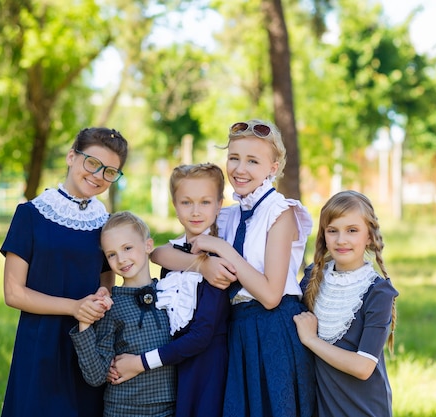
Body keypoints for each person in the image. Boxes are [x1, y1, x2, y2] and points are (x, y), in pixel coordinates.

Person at [151, 119, 316, 417]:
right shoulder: (228, 215)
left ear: (273, 167)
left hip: (273, 328)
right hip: (236, 330)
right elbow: (160, 254)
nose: (240, 169)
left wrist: (224, 249)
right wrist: (202, 265)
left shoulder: (281, 213)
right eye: (234, 158)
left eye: (253, 161)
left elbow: (270, 295)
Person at [0, 127, 128, 417]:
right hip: (40, 342)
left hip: (88, 347)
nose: (98, 176)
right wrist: (74, 307)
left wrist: (101, 296)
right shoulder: (30, 215)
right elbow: (13, 292)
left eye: (110, 171)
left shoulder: (106, 223)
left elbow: (106, 280)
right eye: (92, 163)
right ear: (72, 156)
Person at [110, 163, 230, 417]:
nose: (195, 211)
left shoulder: (219, 256)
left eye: (205, 202)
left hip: (206, 369)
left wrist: (139, 363)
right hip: (174, 367)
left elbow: (201, 334)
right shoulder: (172, 254)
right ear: (175, 206)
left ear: (219, 204)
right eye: (186, 202)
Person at [293, 190, 399, 417]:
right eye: (333, 231)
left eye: (352, 230)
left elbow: (363, 367)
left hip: (365, 409)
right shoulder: (314, 277)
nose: (341, 240)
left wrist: (311, 339)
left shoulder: (377, 292)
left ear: (369, 236)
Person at [70, 211, 176, 417]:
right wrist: (84, 324)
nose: (121, 259)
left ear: (148, 246)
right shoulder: (112, 306)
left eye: (127, 248)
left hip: (169, 407)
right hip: (124, 409)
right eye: (111, 254)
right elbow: (96, 375)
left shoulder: (172, 294)